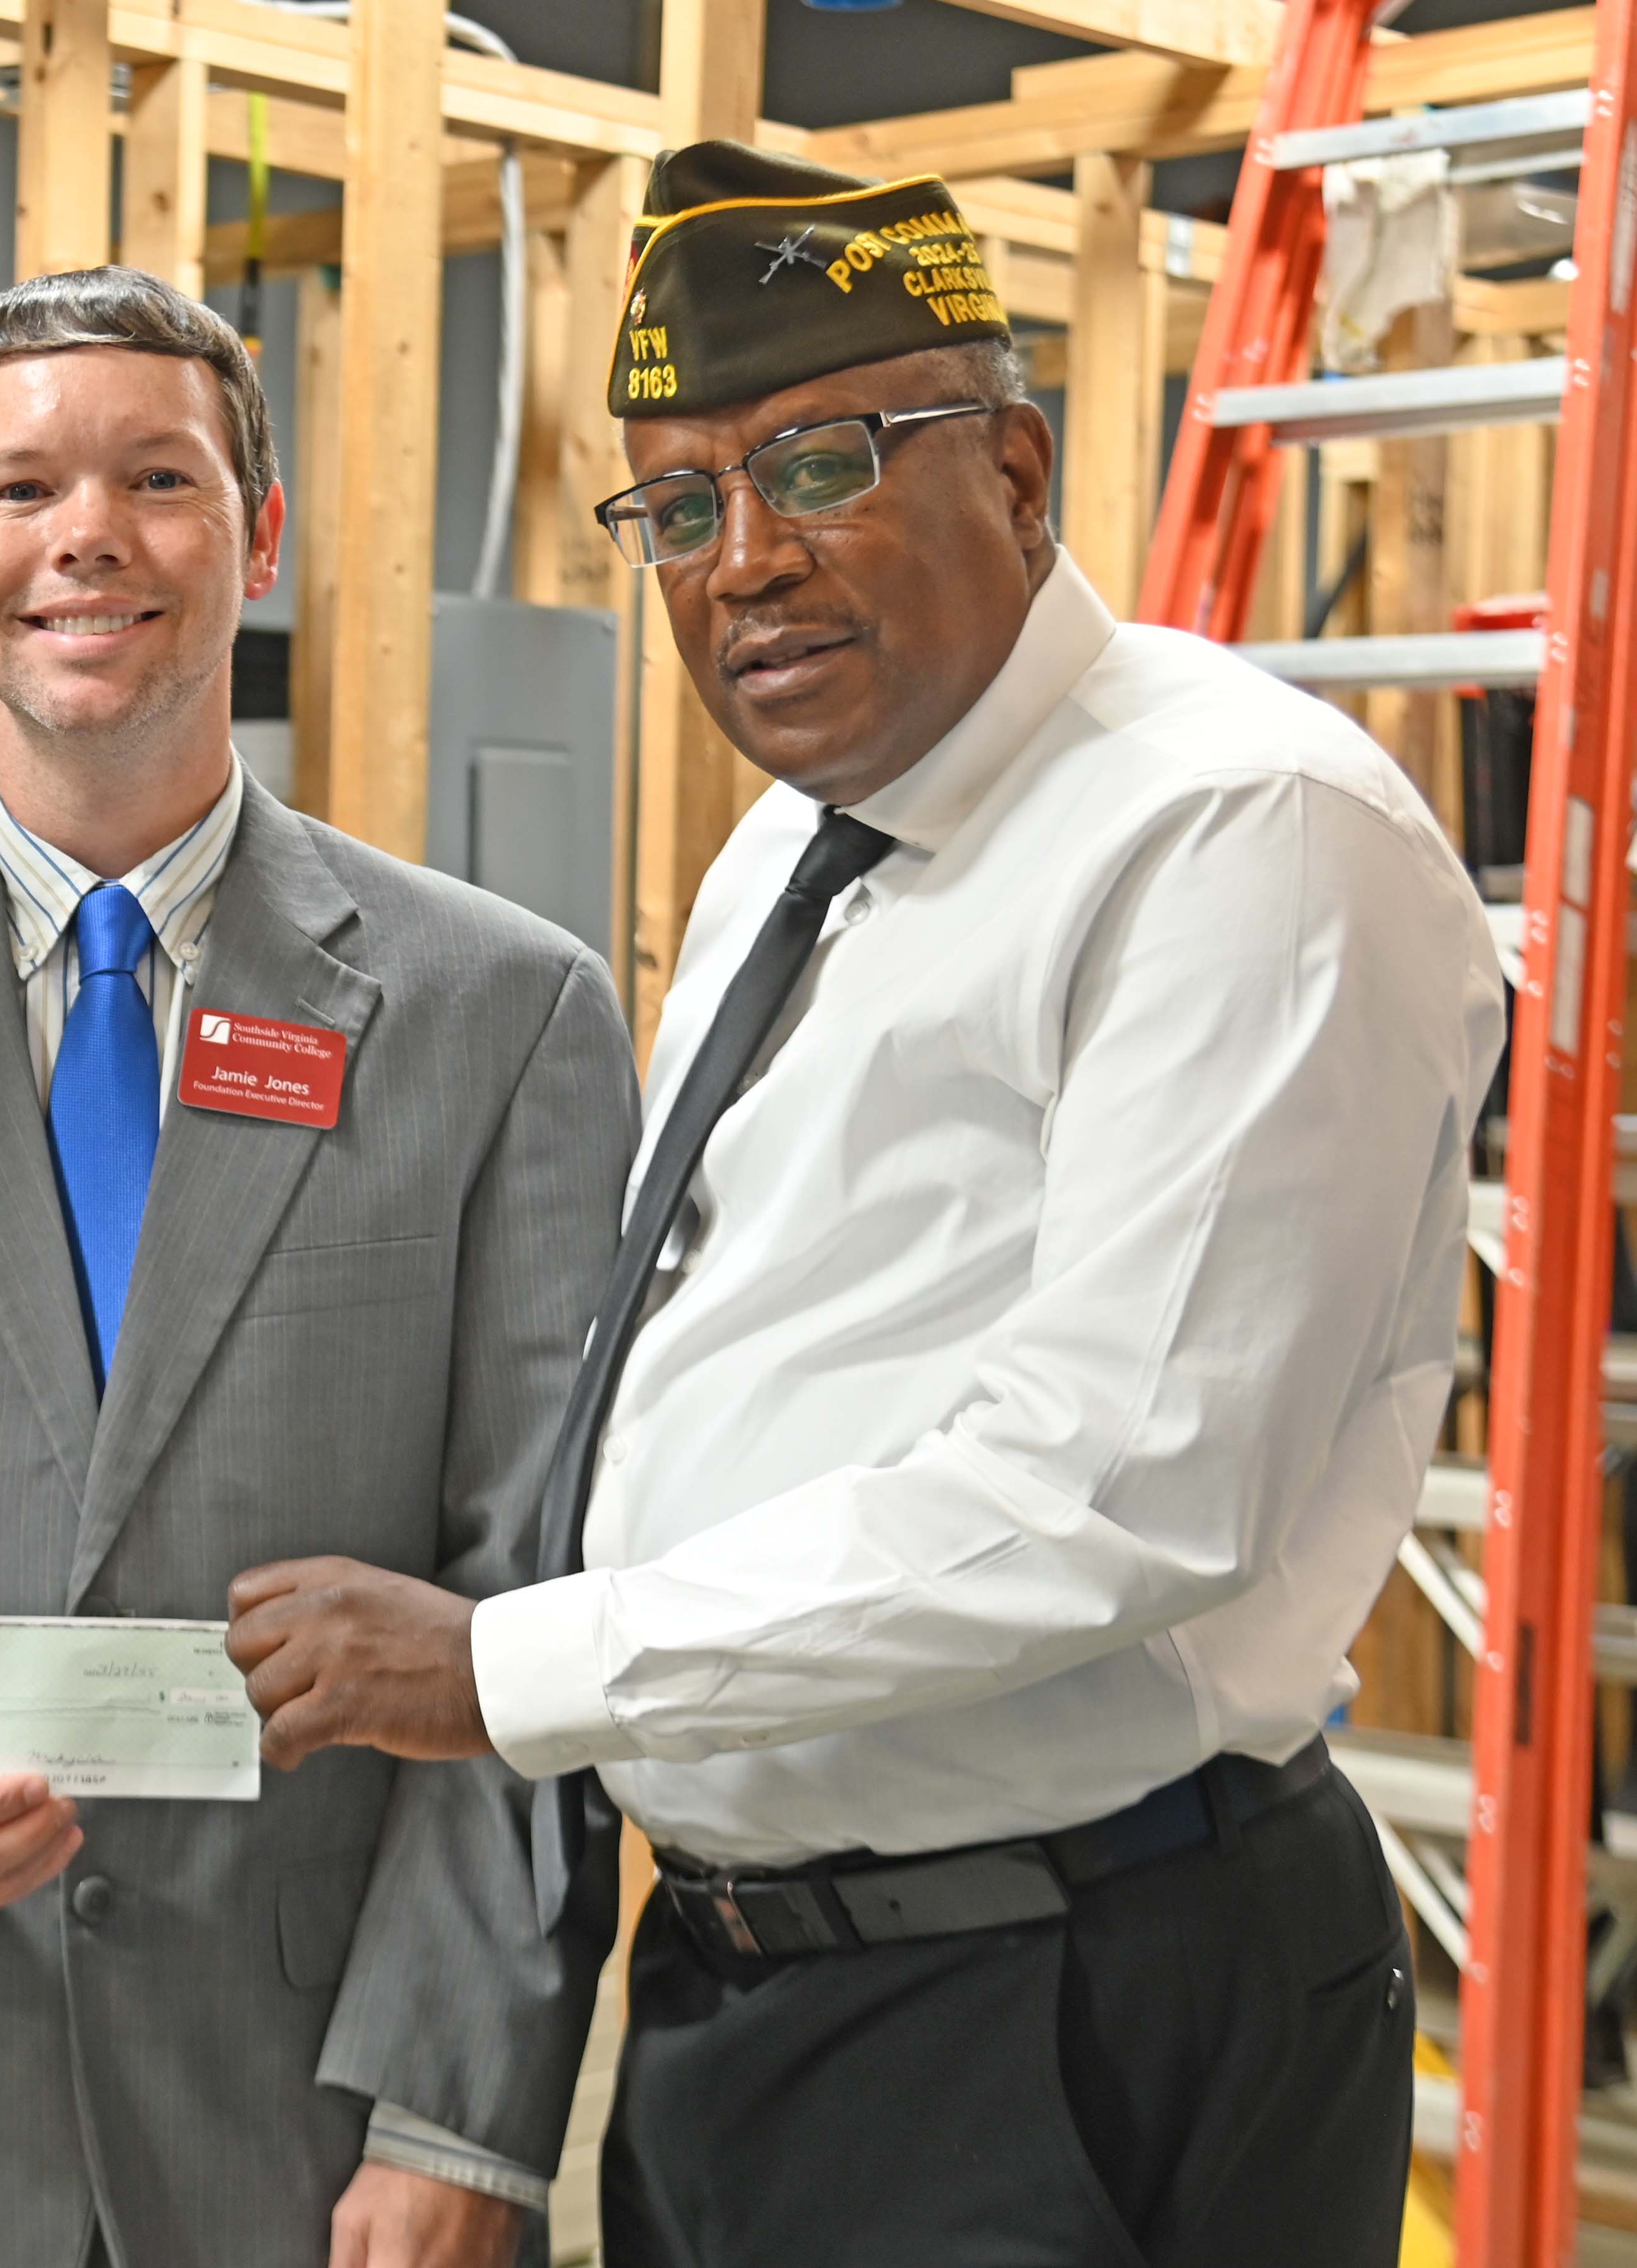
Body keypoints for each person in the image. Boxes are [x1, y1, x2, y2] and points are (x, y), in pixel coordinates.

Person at [226, 145, 1504, 2267]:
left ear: (1013, 467)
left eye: (816, 466)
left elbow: (1115, 1489)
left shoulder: (1232, 831)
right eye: (675, 506)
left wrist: (510, 1664)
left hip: (1065, 1989)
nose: (741, 561)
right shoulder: (798, 845)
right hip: (761, 1994)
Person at [0, 266, 638, 2268]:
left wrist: (454, 2117)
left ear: (258, 537)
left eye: (157, 480)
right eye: (21, 490)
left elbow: (536, 1590)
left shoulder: (501, 1015)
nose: (87, 536)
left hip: (316, 2128)